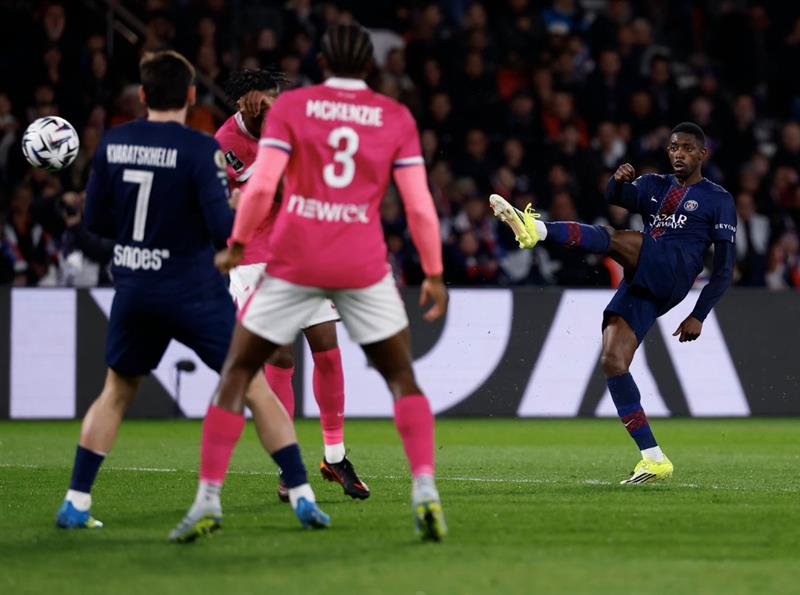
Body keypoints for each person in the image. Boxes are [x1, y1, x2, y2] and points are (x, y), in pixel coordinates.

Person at [174, 24, 449, 542]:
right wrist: (433, 271)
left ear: (321, 63)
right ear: (370, 66)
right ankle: (423, 489)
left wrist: (232, 241)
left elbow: (260, 190)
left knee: (249, 369)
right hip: (347, 256)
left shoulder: (298, 109)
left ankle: (215, 496)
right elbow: (417, 204)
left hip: (293, 253)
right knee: (397, 375)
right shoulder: (393, 115)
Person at [53, 50, 329, 540]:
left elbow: (95, 222)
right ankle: (302, 494)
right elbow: (223, 229)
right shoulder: (201, 148)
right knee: (253, 385)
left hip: (135, 286)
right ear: (191, 95)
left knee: (116, 392)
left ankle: (76, 502)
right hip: (191, 289)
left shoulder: (115, 142)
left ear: (143, 95)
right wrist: (237, 203)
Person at [490, 122, 736, 484]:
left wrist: (698, 314)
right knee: (612, 360)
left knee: (613, 238)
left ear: (703, 153)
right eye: (673, 148)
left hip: (676, 269)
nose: (679, 154)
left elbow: (725, 270)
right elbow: (613, 196)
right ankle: (653, 458)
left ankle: (536, 230)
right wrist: (618, 181)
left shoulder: (719, 199)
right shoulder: (654, 184)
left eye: (687, 148)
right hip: (644, 277)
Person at [215, 68, 368, 502]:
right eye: (267, 101)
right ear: (245, 102)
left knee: (327, 346)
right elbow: (233, 202)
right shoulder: (224, 144)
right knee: (279, 353)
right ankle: (289, 466)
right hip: (253, 257)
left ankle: (335, 457)